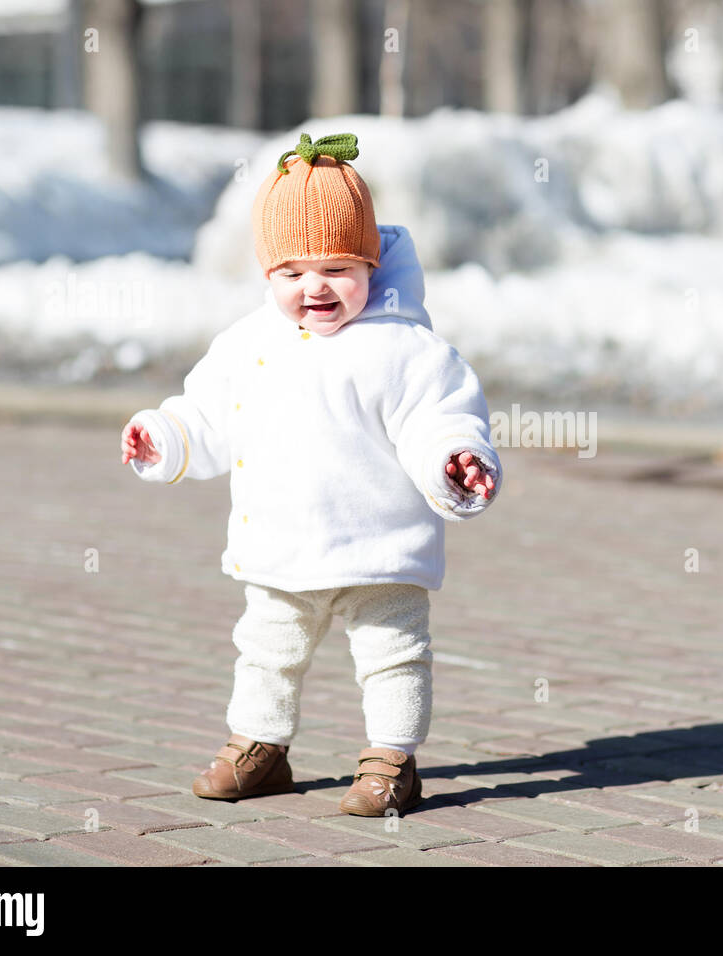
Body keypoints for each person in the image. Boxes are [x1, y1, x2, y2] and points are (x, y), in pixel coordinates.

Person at [119, 132, 502, 816]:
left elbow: (438, 421)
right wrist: (165, 437)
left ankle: (391, 758)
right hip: (279, 549)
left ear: (371, 264)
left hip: (381, 553)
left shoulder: (404, 349)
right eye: (292, 272)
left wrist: (456, 461)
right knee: (266, 653)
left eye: (337, 269)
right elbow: (208, 417)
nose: (314, 288)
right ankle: (260, 748)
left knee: (393, 658)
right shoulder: (247, 346)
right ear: (267, 274)